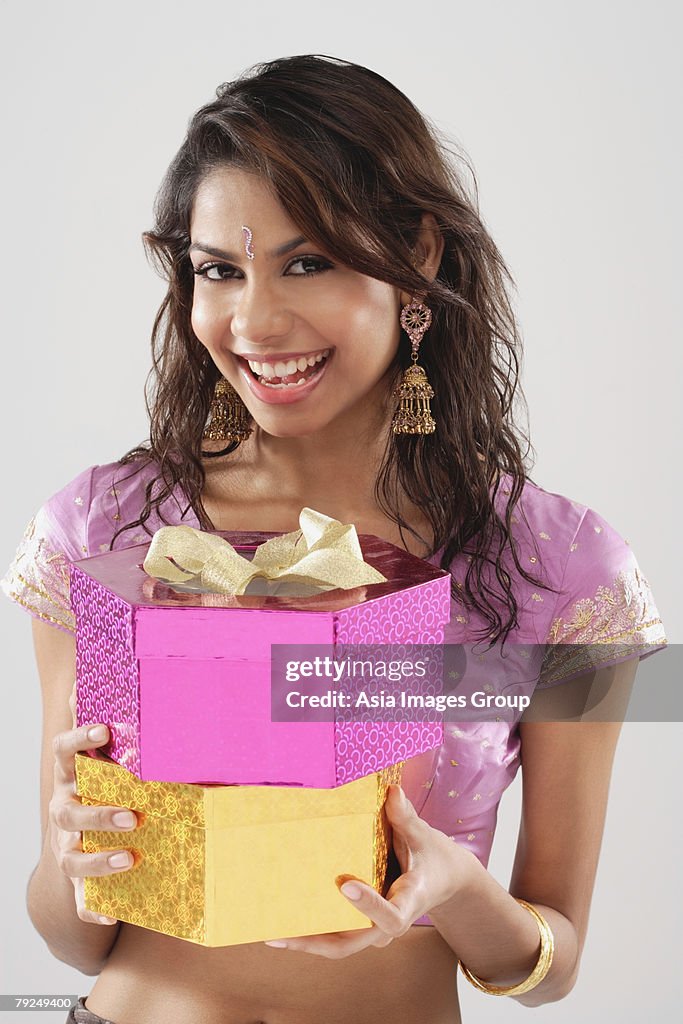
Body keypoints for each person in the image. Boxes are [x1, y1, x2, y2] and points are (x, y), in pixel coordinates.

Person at [1, 54, 667, 1024]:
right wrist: (74, 855)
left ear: (419, 258)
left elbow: (550, 952)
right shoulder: (107, 532)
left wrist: (453, 889)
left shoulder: (554, 568)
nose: (255, 319)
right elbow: (73, 934)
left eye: (306, 261)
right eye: (217, 270)